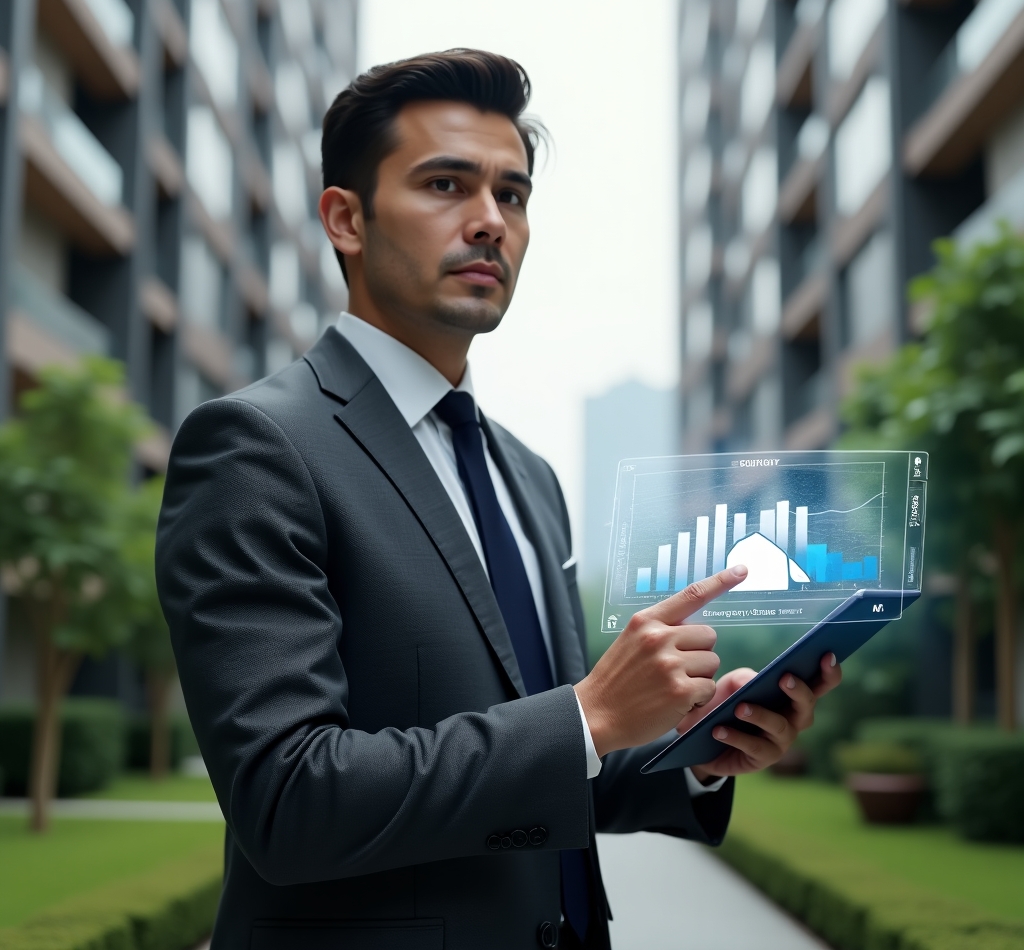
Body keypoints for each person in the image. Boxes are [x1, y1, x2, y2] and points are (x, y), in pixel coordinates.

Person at [156, 49, 841, 950]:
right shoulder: (257, 446)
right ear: (346, 219)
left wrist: (698, 747)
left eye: (511, 196)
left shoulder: (525, 475)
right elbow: (287, 799)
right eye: (447, 184)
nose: (489, 222)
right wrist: (588, 715)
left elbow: (556, 770)